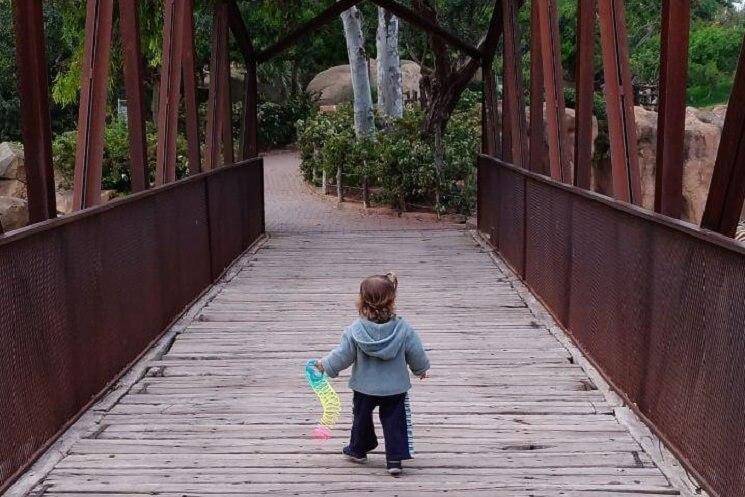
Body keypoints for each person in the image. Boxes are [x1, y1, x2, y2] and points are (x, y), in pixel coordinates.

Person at [315, 272, 430, 477]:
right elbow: (416, 352)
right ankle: (394, 459)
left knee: (361, 418)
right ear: (392, 300)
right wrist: (420, 369)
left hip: (364, 386)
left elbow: (343, 355)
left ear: (362, 301)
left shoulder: (355, 330)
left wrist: (325, 365)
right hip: (395, 388)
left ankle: (358, 449)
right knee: (395, 421)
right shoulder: (403, 329)